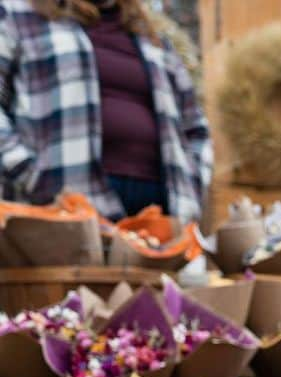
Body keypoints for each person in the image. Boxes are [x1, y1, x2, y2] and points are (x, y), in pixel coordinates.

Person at [0, 0, 211, 222]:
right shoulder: (19, 15)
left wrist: (193, 183)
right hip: (60, 208)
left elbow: (195, 126)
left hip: (161, 212)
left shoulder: (153, 38)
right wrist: (31, 175)